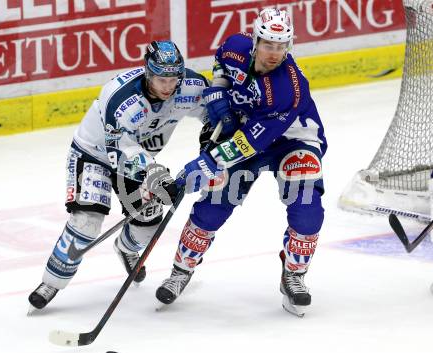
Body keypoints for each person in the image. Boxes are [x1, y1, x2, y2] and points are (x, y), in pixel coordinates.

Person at [155, 8, 327, 317]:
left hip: (292, 140)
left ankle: (294, 274)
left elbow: (250, 143)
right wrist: (219, 92)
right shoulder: (236, 45)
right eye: (268, 44)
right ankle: (181, 271)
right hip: (247, 132)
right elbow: (221, 61)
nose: (274, 53)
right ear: (256, 39)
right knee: (215, 205)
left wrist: (207, 162)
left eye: (281, 46)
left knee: (306, 205)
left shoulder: (288, 87)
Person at [28, 40, 209, 312]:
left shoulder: (191, 86)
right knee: (86, 221)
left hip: (140, 160)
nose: (168, 86)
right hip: (95, 155)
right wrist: (157, 176)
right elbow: (121, 153)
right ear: (147, 72)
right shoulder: (122, 98)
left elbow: (214, 112)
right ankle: (51, 282)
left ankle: (125, 248)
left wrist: (214, 135)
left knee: (147, 226)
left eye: (173, 78)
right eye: (161, 78)